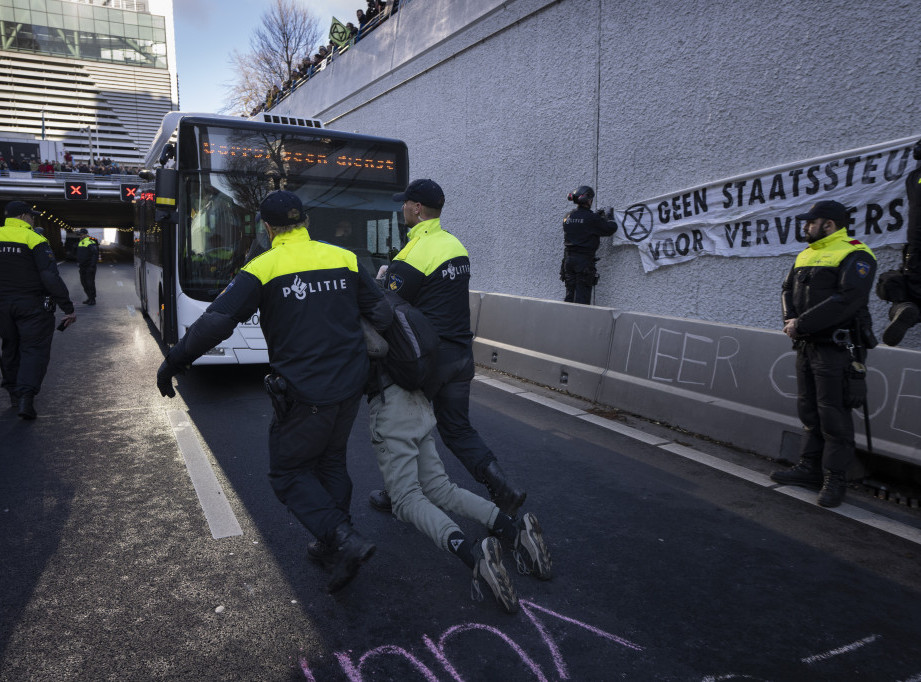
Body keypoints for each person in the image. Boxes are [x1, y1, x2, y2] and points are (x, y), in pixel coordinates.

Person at [156, 190, 391, 594]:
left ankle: (343, 539)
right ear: (306, 222)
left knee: (288, 473)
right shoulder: (346, 259)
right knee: (331, 462)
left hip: (305, 391)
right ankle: (333, 541)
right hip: (351, 384)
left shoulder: (263, 267)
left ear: (267, 227)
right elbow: (383, 314)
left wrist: (173, 362)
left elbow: (217, 322)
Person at [368, 179, 526, 517]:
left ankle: (396, 492)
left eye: (405, 203)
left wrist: (383, 281)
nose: (402, 209)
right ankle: (503, 488)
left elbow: (389, 306)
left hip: (427, 357)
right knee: (457, 429)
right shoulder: (456, 245)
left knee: (405, 425)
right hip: (460, 356)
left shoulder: (414, 252)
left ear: (417, 208)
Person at [771, 200, 877, 508]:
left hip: (836, 348)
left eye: (810, 222)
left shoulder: (856, 253)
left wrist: (800, 323)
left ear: (828, 224)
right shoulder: (807, 253)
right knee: (809, 411)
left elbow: (848, 301)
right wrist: (791, 321)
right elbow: (786, 289)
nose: (805, 227)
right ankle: (809, 468)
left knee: (834, 415)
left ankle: (835, 480)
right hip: (807, 344)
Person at [0, 201, 76, 419]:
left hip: (2, 306)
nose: (33, 220)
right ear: (24, 217)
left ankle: (13, 393)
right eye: (32, 216)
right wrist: (68, 307)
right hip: (31, 307)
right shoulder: (34, 239)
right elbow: (49, 276)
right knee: (33, 351)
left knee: (10, 347)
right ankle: (25, 398)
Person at [877, 138, 921, 345]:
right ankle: (906, 308)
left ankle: (903, 308)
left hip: (916, 248)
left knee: (904, 287)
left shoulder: (914, 179)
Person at [561, 185, 618, 305]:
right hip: (583, 262)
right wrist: (609, 217)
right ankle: (579, 323)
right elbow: (610, 229)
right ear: (588, 200)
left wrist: (596, 217)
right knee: (582, 299)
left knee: (570, 296)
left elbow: (581, 227)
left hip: (568, 261)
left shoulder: (567, 217)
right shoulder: (591, 218)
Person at [76, 228, 99, 305]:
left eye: (81, 234)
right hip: (82, 267)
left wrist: (92, 266)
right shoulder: (80, 243)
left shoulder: (91, 242)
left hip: (89, 267)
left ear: (86, 234)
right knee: (84, 283)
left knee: (90, 283)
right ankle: (89, 297)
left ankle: (93, 299)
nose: (80, 236)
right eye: (80, 234)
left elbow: (95, 255)